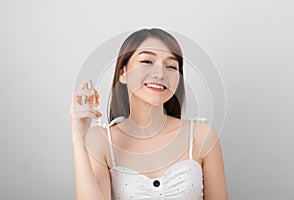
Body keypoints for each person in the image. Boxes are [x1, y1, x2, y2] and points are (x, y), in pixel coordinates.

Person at [69, 28, 228, 200]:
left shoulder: (202, 136)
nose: (160, 74)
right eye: (147, 61)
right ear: (123, 74)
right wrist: (78, 138)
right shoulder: (100, 140)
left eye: (171, 66)